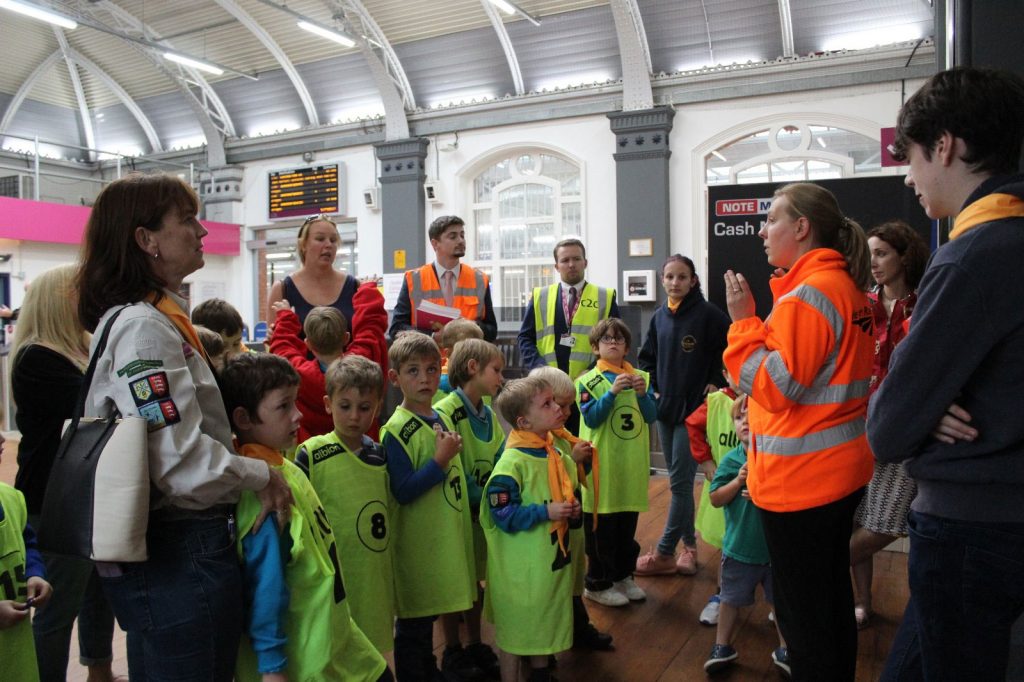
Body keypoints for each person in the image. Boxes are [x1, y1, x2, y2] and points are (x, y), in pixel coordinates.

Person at [76, 172, 293, 680]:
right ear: (146, 239)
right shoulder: (144, 330)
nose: (201, 232)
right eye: (186, 220)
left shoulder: (149, 320)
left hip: (178, 553)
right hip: (181, 551)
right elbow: (179, 461)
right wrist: (262, 474)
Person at [868, 66, 1024, 682]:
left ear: (945, 146)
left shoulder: (970, 257)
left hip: (970, 527)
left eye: (910, 156)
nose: (908, 176)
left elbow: (889, 427)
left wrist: (923, 403)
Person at [722, 181, 874, 681]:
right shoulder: (840, 288)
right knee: (829, 603)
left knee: (804, 619)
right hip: (834, 475)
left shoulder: (808, 296)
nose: (763, 231)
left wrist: (743, 324)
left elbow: (778, 386)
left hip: (802, 484)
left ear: (802, 228)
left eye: (772, 220)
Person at [220, 353, 389, 681]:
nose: (298, 415)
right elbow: (265, 585)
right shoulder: (262, 495)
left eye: (295, 403)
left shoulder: (284, 471)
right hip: (305, 656)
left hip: (335, 636)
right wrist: (271, 666)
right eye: (284, 406)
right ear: (243, 418)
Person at [10, 264, 120, 682]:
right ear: (58, 303)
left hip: (81, 493)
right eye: (79, 292)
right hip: (53, 498)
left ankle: (99, 669)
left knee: (97, 592)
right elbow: (97, 405)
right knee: (56, 607)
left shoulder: (74, 351)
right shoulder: (37, 357)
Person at [380, 333, 477, 681]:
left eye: (432, 369)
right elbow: (403, 491)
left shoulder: (439, 415)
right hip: (417, 545)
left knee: (427, 618)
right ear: (395, 378)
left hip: (440, 538)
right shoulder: (395, 430)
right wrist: (438, 461)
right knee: (414, 623)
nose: (424, 378)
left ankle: (430, 671)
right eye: (413, 371)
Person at [850, 220, 929, 629]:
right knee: (859, 517)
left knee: (888, 521)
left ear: (903, 255)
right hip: (856, 424)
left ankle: (820, 568)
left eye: (882, 253)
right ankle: (860, 602)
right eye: (871, 253)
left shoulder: (924, 302)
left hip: (904, 429)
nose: (874, 262)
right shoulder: (862, 303)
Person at [634, 254, 730, 578]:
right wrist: (655, 388)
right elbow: (646, 359)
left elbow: (729, 350)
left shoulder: (709, 315)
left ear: (693, 281)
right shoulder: (660, 317)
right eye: (670, 277)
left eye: (682, 277)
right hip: (665, 410)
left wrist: (716, 380)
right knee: (681, 484)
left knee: (679, 483)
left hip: (694, 411)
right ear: (663, 280)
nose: (675, 283)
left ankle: (664, 552)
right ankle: (689, 547)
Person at [295, 355, 396, 655]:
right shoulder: (311, 454)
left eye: (364, 408)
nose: (354, 416)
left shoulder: (381, 455)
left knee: (374, 650)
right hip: (331, 575)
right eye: (345, 406)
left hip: (373, 577)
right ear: (328, 404)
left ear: (377, 407)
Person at [483, 376, 581, 682]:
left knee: (542, 620)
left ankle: (540, 672)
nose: (558, 409)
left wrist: (572, 508)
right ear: (524, 422)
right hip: (519, 570)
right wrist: (546, 511)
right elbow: (503, 514)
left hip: (545, 564)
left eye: (555, 401)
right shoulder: (511, 463)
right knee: (516, 629)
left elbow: (565, 490)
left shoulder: (553, 452)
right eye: (548, 404)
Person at [434, 339, 506, 680]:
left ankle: (475, 642)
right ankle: (452, 648)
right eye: (497, 370)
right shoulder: (446, 410)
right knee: (455, 584)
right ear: (473, 368)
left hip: (481, 513)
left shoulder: (489, 412)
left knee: (474, 581)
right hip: (457, 512)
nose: (501, 378)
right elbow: (450, 464)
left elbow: (498, 458)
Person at [703, 395, 789, 676]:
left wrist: (765, 493)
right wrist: (738, 481)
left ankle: (786, 648)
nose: (746, 423)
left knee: (782, 603)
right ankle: (722, 646)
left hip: (775, 549)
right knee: (729, 600)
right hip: (739, 548)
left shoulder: (776, 457)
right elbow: (715, 498)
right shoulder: (732, 460)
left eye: (752, 416)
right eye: (740, 418)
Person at [529, 365, 612, 652]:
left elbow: (576, 480)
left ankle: (577, 628)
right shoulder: (534, 441)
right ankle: (548, 643)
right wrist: (572, 459)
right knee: (553, 587)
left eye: (568, 406)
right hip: (548, 528)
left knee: (574, 578)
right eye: (557, 405)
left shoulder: (561, 434)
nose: (564, 412)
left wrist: (581, 461)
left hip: (571, 523)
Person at [576, 318, 657, 607]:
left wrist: (642, 394)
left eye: (619, 339)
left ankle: (623, 575)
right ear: (596, 348)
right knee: (601, 528)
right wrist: (611, 393)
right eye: (606, 339)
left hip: (631, 466)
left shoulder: (641, 378)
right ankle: (597, 582)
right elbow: (591, 418)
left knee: (627, 525)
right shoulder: (587, 381)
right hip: (603, 468)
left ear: (626, 347)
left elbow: (650, 416)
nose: (613, 343)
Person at [518, 239, 618, 433]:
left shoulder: (605, 296)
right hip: (548, 390)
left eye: (576, 259)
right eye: (565, 260)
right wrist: (541, 371)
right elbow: (525, 338)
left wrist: (592, 371)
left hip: (589, 385)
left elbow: (614, 342)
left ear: (585, 263)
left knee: (585, 444)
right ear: (556, 266)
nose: (571, 264)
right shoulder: (540, 296)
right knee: (551, 447)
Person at [269, 276, 388, 440]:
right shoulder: (364, 364)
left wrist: (286, 318)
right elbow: (371, 329)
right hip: (365, 453)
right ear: (346, 338)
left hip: (315, 456)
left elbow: (283, 347)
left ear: (308, 344)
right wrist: (367, 291)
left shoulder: (299, 374)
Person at [684, 369, 741, 627]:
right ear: (725, 373)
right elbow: (693, 425)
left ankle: (776, 599)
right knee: (725, 545)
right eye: (736, 370)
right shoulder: (716, 401)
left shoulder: (768, 399)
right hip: (725, 484)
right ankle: (721, 595)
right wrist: (705, 460)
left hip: (761, 486)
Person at [389, 215, 496, 342]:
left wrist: (471, 329)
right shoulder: (414, 279)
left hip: (467, 359)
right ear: (435, 244)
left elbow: (492, 331)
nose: (461, 240)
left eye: (462, 235)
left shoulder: (480, 280)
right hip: (428, 359)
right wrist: (432, 337)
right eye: (453, 236)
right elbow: (396, 329)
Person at [0, 432, 54, 682]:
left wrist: (35, 573)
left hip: (18, 664)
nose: (2, 439)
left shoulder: (11, 498)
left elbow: (27, 543)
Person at [268, 213, 359, 328]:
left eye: (333, 240)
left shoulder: (354, 287)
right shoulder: (282, 289)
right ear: (303, 244)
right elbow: (274, 343)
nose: (328, 244)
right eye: (320, 239)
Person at [435, 318, 485, 402]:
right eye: (467, 351)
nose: (476, 355)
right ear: (448, 353)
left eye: (480, 348)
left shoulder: (483, 378)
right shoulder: (439, 384)